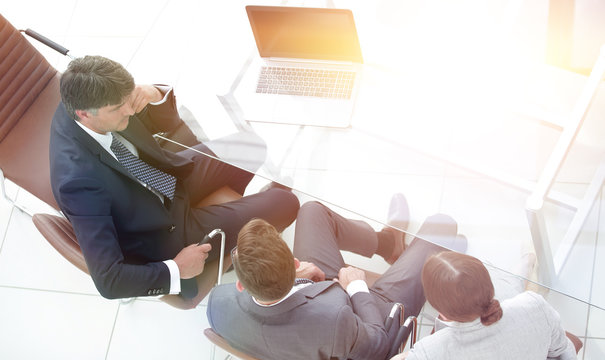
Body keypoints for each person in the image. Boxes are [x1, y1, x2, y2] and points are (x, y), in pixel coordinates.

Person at [49, 55, 299, 307]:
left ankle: (235, 231)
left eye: (128, 100)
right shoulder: (77, 183)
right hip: (163, 230)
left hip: (167, 178)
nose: (129, 111)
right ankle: (242, 228)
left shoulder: (92, 99)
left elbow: (167, 123)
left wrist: (154, 94)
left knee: (250, 145)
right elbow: (109, 281)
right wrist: (176, 270)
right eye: (118, 109)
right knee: (286, 202)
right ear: (84, 115)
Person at [207, 195, 468, 360]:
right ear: (296, 262)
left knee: (311, 211)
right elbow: (377, 344)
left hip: (314, 296)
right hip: (368, 313)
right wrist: (356, 287)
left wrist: (300, 280)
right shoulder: (335, 321)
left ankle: (389, 244)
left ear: (241, 284)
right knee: (442, 224)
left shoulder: (217, 305)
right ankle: (436, 260)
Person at [397, 251, 582, 360]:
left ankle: (527, 260)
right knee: (513, 280)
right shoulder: (533, 305)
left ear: (442, 312)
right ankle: (527, 259)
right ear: (490, 284)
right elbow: (562, 350)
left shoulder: (429, 352)